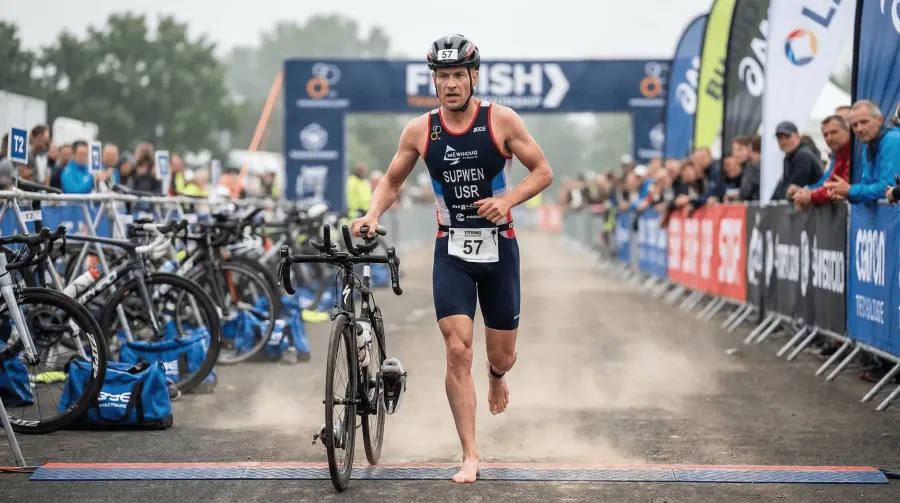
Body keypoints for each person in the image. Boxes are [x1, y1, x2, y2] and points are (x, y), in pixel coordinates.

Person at [350, 34, 553, 484]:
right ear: (435, 82)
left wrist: (508, 201)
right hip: (452, 250)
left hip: (499, 248)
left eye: (459, 75)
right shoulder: (420, 131)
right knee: (457, 348)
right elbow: (392, 181)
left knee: (503, 354)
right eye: (442, 77)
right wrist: (371, 213)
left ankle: (496, 375)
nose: (451, 84)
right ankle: (470, 454)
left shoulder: (500, 120)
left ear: (473, 77)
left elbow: (543, 171)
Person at [826, 100, 900, 203]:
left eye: (864, 122)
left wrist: (850, 190)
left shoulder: (893, 139)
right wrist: (847, 194)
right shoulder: (869, 142)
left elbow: (888, 188)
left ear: (879, 119)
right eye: (854, 125)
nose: (859, 129)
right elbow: (868, 183)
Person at [790, 115, 851, 209]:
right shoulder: (838, 154)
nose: (829, 138)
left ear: (847, 131)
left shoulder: (852, 153)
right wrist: (806, 191)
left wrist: (811, 195)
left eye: (834, 132)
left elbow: (839, 187)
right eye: (825, 135)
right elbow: (828, 183)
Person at [769, 121, 823, 200]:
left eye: (787, 137)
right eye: (779, 138)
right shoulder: (790, 156)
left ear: (797, 136)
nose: (783, 142)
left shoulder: (803, 155)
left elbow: (794, 188)